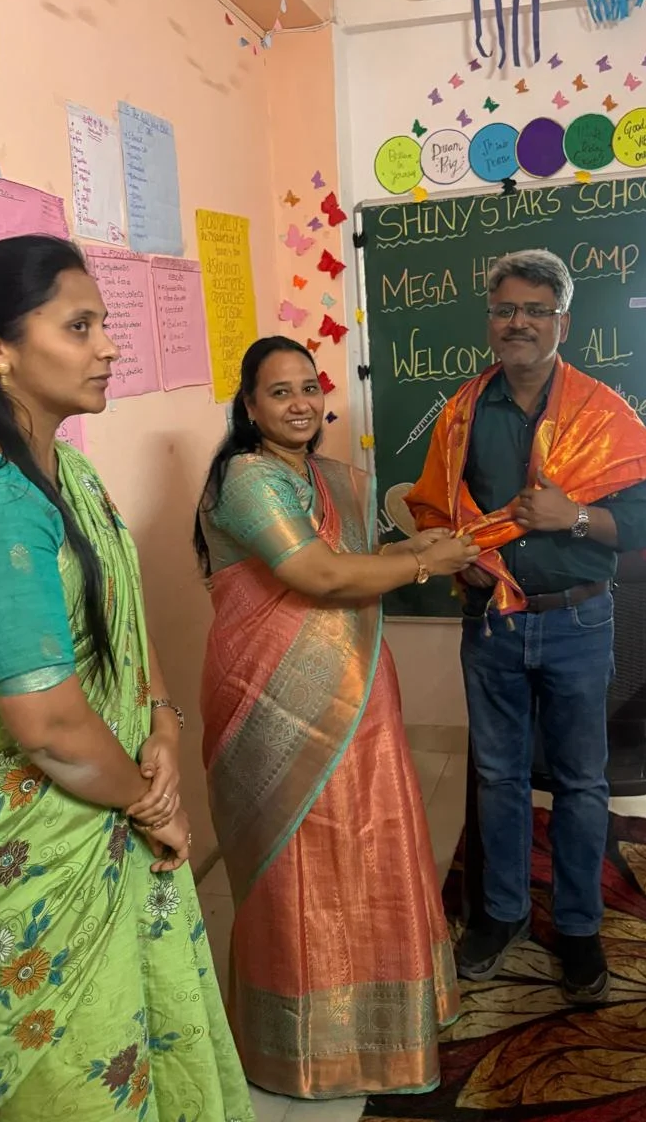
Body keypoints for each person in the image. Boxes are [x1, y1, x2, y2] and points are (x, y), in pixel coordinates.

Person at [0, 236, 252, 1122]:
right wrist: (153, 804)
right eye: (79, 327)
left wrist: (162, 721)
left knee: (146, 1048)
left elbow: (120, 614)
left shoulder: (66, 470)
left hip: (107, 794)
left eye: (104, 324)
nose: (109, 346)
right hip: (27, 849)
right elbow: (48, 727)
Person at [194, 336, 477, 1100]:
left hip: (357, 690)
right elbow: (317, 572)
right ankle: (302, 1048)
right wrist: (425, 563)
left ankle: (379, 1025)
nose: (299, 404)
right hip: (271, 703)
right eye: (278, 391)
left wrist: (409, 544)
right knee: (298, 864)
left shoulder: (325, 477)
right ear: (249, 405)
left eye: (308, 388)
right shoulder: (247, 478)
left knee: (370, 839)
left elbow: (353, 552)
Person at [405, 249, 646, 1004]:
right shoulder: (462, 414)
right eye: (505, 309)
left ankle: (578, 926)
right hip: (492, 624)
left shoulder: (602, 411)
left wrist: (577, 517)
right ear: (490, 321)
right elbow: (434, 509)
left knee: (580, 782)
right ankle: (500, 916)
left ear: (563, 321)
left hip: (578, 622)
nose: (519, 323)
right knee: (497, 777)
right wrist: (460, 557)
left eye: (536, 310)